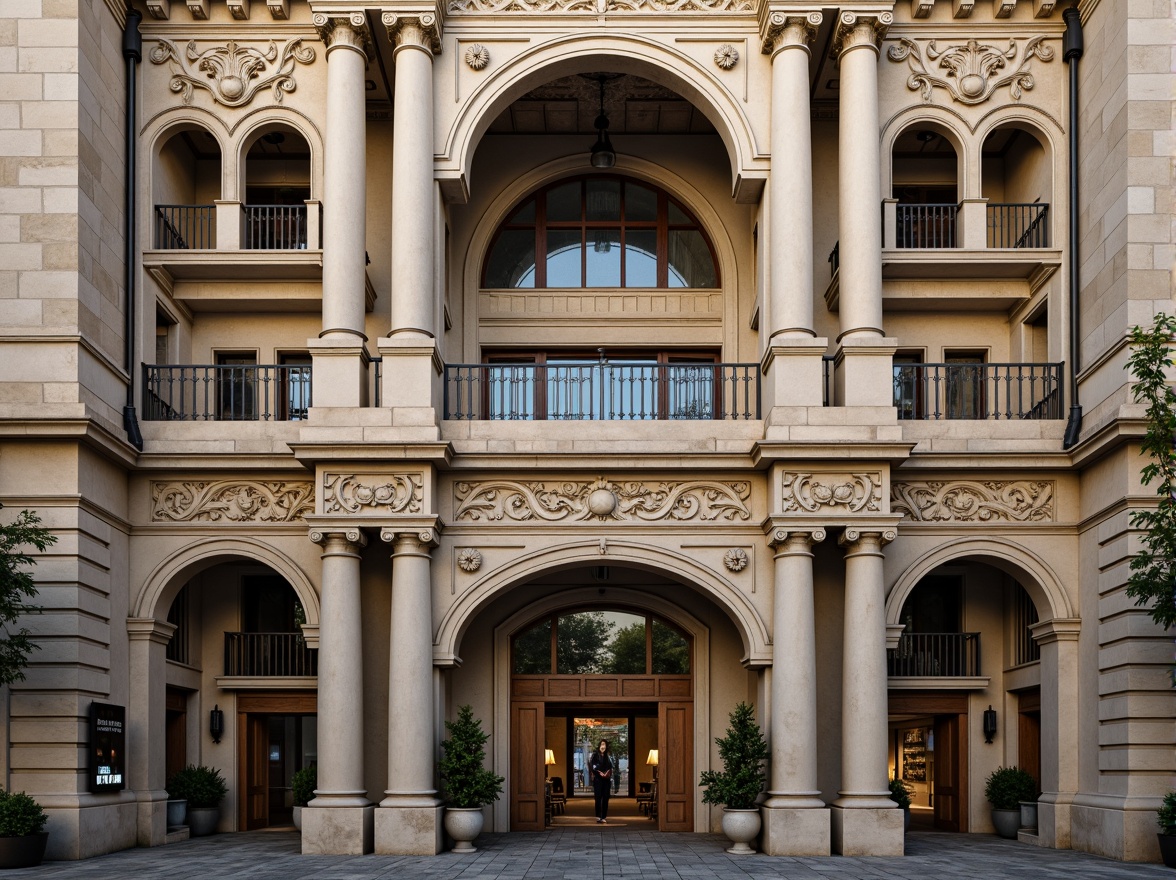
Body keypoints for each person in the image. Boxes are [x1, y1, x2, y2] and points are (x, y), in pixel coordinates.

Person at [588, 738, 614, 823]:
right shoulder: (595, 755)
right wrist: (599, 773)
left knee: (606, 798)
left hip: (606, 780)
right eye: (602, 744)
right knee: (598, 797)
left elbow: (611, 767)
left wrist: (607, 773)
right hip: (598, 780)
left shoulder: (608, 756)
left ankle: (604, 816)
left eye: (605, 745)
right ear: (599, 746)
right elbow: (593, 766)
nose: (603, 746)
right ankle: (598, 816)